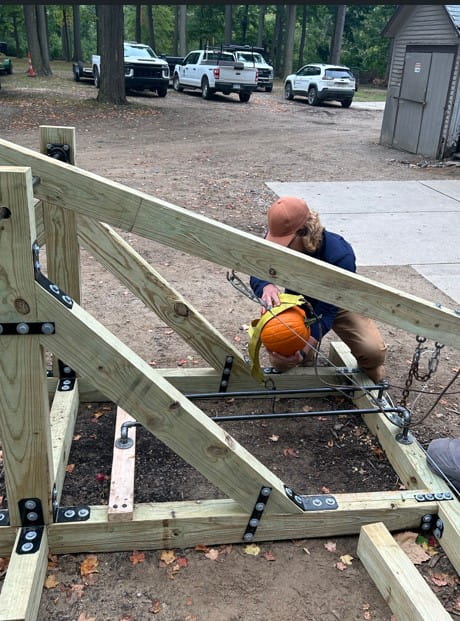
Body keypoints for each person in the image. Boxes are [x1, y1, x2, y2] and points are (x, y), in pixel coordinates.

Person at [250, 195, 387, 383]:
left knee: (373, 353)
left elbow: (327, 311)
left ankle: (368, 379)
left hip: (338, 304)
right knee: (282, 361)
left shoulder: (340, 255)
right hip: (299, 303)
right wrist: (265, 285)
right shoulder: (282, 237)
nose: (281, 250)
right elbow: (257, 266)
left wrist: (306, 347)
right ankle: (302, 364)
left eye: (286, 244)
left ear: (303, 232)